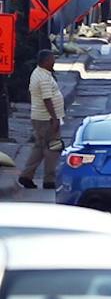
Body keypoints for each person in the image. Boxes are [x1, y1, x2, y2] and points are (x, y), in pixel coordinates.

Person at [21, 47, 64, 191]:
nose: (54, 62)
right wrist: (55, 118)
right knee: (53, 148)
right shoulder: (44, 77)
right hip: (46, 119)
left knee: (39, 147)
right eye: (52, 59)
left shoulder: (38, 73)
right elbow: (47, 99)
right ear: (46, 61)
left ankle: (27, 175)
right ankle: (49, 180)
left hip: (39, 117)